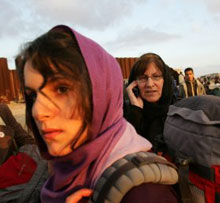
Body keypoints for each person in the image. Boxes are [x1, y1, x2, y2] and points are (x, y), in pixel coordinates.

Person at [16, 25, 180, 203]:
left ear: (101, 93)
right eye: (32, 95)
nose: (38, 112)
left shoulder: (143, 193)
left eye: (61, 89)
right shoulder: (61, 170)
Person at [125, 53, 176, 154]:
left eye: (156, 77)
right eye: (143, 78)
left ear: (165, 81)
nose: (149, 84)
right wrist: (136, 112)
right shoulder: (123, 112)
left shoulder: (180, 113)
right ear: (134, 84)